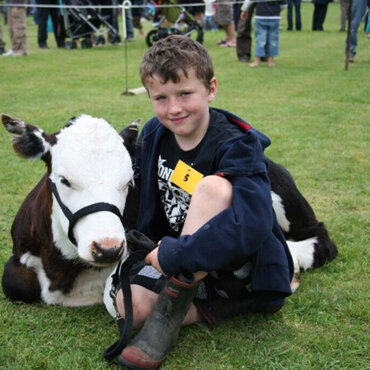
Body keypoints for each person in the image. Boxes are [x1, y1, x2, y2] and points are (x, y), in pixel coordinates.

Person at [109, 35, 293, 369]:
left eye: (185, 94)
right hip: (178, 258)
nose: (174, 108)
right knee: (128, 306)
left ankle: (176, 312)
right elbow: (139, 197)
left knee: (213, 189)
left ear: (211, 89)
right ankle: (225, 306)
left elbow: (251, 223)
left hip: (235, 263)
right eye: (160, 98)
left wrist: (174, 255)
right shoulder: (153, 133)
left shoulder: (237, 144)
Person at [242, 0, 286, 67]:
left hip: (261, 16)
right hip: (273, 17)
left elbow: (248, 1)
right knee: (273, 40)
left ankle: (257, 61)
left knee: (260, 39)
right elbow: (283, 5)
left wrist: (244, 10)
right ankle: (270, 61)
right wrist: (278, 11)